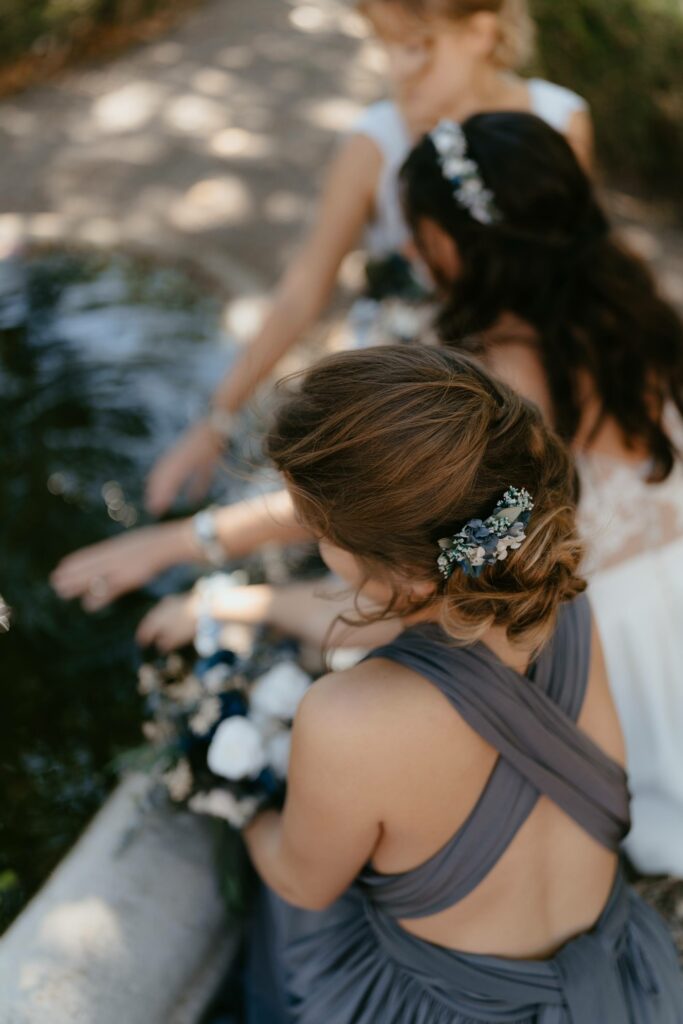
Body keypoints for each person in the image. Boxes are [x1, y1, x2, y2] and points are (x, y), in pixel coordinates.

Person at [145, 346, 683, 1022]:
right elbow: (423, 628)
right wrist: (235, 603)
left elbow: (302, 884)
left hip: (451, 1005)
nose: (311, 536)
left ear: (406, 576)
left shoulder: (348, 720)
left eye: (315, 525)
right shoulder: (559, 600)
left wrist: (239, 803)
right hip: (625, 975)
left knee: (293, 907)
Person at [142, 0, 591, 516]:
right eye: (384, 44)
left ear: (482, 33)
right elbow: (302, 290)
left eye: (417, 46)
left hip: (519, 369)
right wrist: (216, 420)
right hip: (400, 374)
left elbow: (568, 270)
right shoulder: (374, 141)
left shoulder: (561, 121)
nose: (396, 71)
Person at [398, 110, 683, 881]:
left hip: (616, 643)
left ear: (459, 245)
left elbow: (462, 557)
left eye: (416, 229)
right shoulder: (628, 306)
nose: (405, 248)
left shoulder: (498, 379)